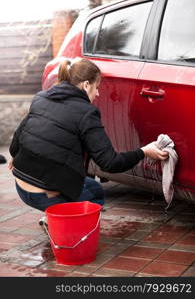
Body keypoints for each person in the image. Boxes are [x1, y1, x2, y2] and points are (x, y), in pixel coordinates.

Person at [8, 58, 168, 214]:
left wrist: (19, 158)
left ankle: (54, 218)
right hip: (45, 195)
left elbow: (15, 145)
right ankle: (58, 223)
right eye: (96, 87)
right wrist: (144, 152)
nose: (98, 93)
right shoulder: (86, 112)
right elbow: (110, 163)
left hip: (21, 185)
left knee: (94, 187)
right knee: (93, 199)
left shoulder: (41, 98)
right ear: (86, 85)